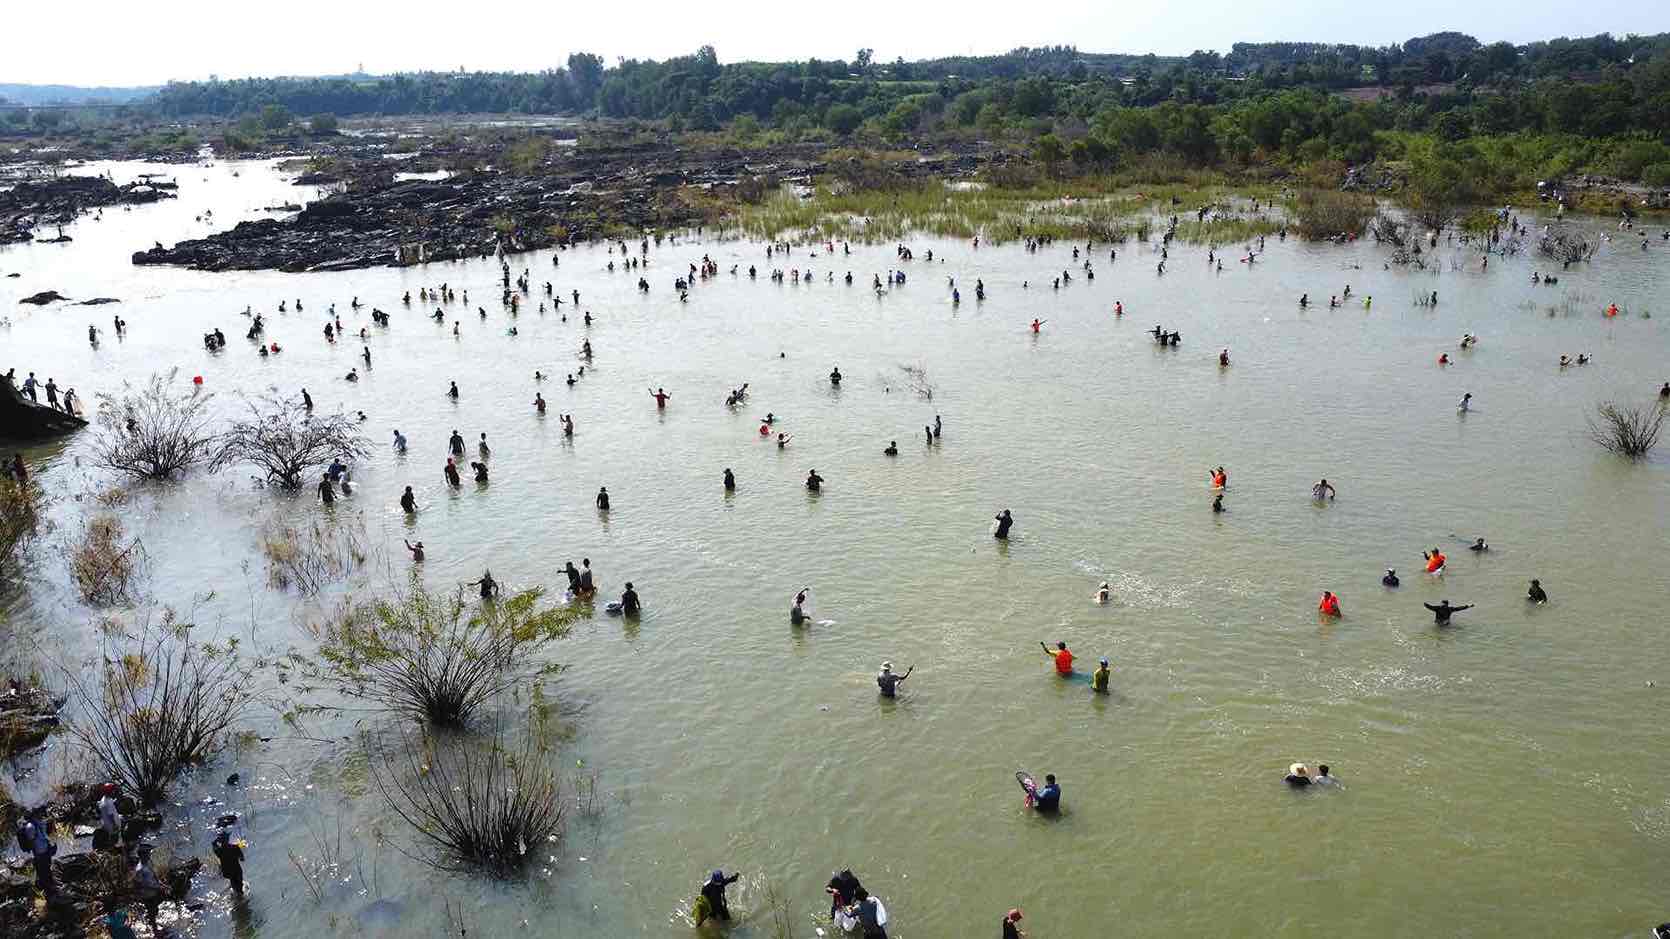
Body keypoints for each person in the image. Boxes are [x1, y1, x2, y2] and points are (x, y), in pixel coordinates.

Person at [213, 830, 245, 895]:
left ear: (220, 841)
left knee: (234, 885)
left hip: (228, 873)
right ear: (228, 839)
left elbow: (214, 845)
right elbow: (242, 859)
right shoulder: (235, 847)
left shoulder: (219, 851)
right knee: (240, 887)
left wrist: (216, 841)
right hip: (237, 870)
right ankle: (241, 897)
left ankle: (237, 895)